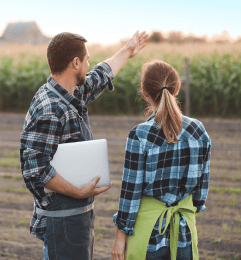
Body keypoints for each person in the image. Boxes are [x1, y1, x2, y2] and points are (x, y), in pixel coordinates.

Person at [20, 30, 149, 260]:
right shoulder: (50, 108)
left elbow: (101, 75)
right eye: (87, 59)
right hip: (63, 222)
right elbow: (35, 169)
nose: (90, 64)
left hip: (75, 219)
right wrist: (78, 191)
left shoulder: (70, 93)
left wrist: (128, 51)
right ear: (75, 62)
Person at [111, 59, 212, 260]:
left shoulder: (140, 135)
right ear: (177, 88)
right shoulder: (198, 131)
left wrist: (120, 238)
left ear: (144, 92)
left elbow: (130, 193)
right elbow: (200, 195)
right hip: (184, 233)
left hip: (147, 236)